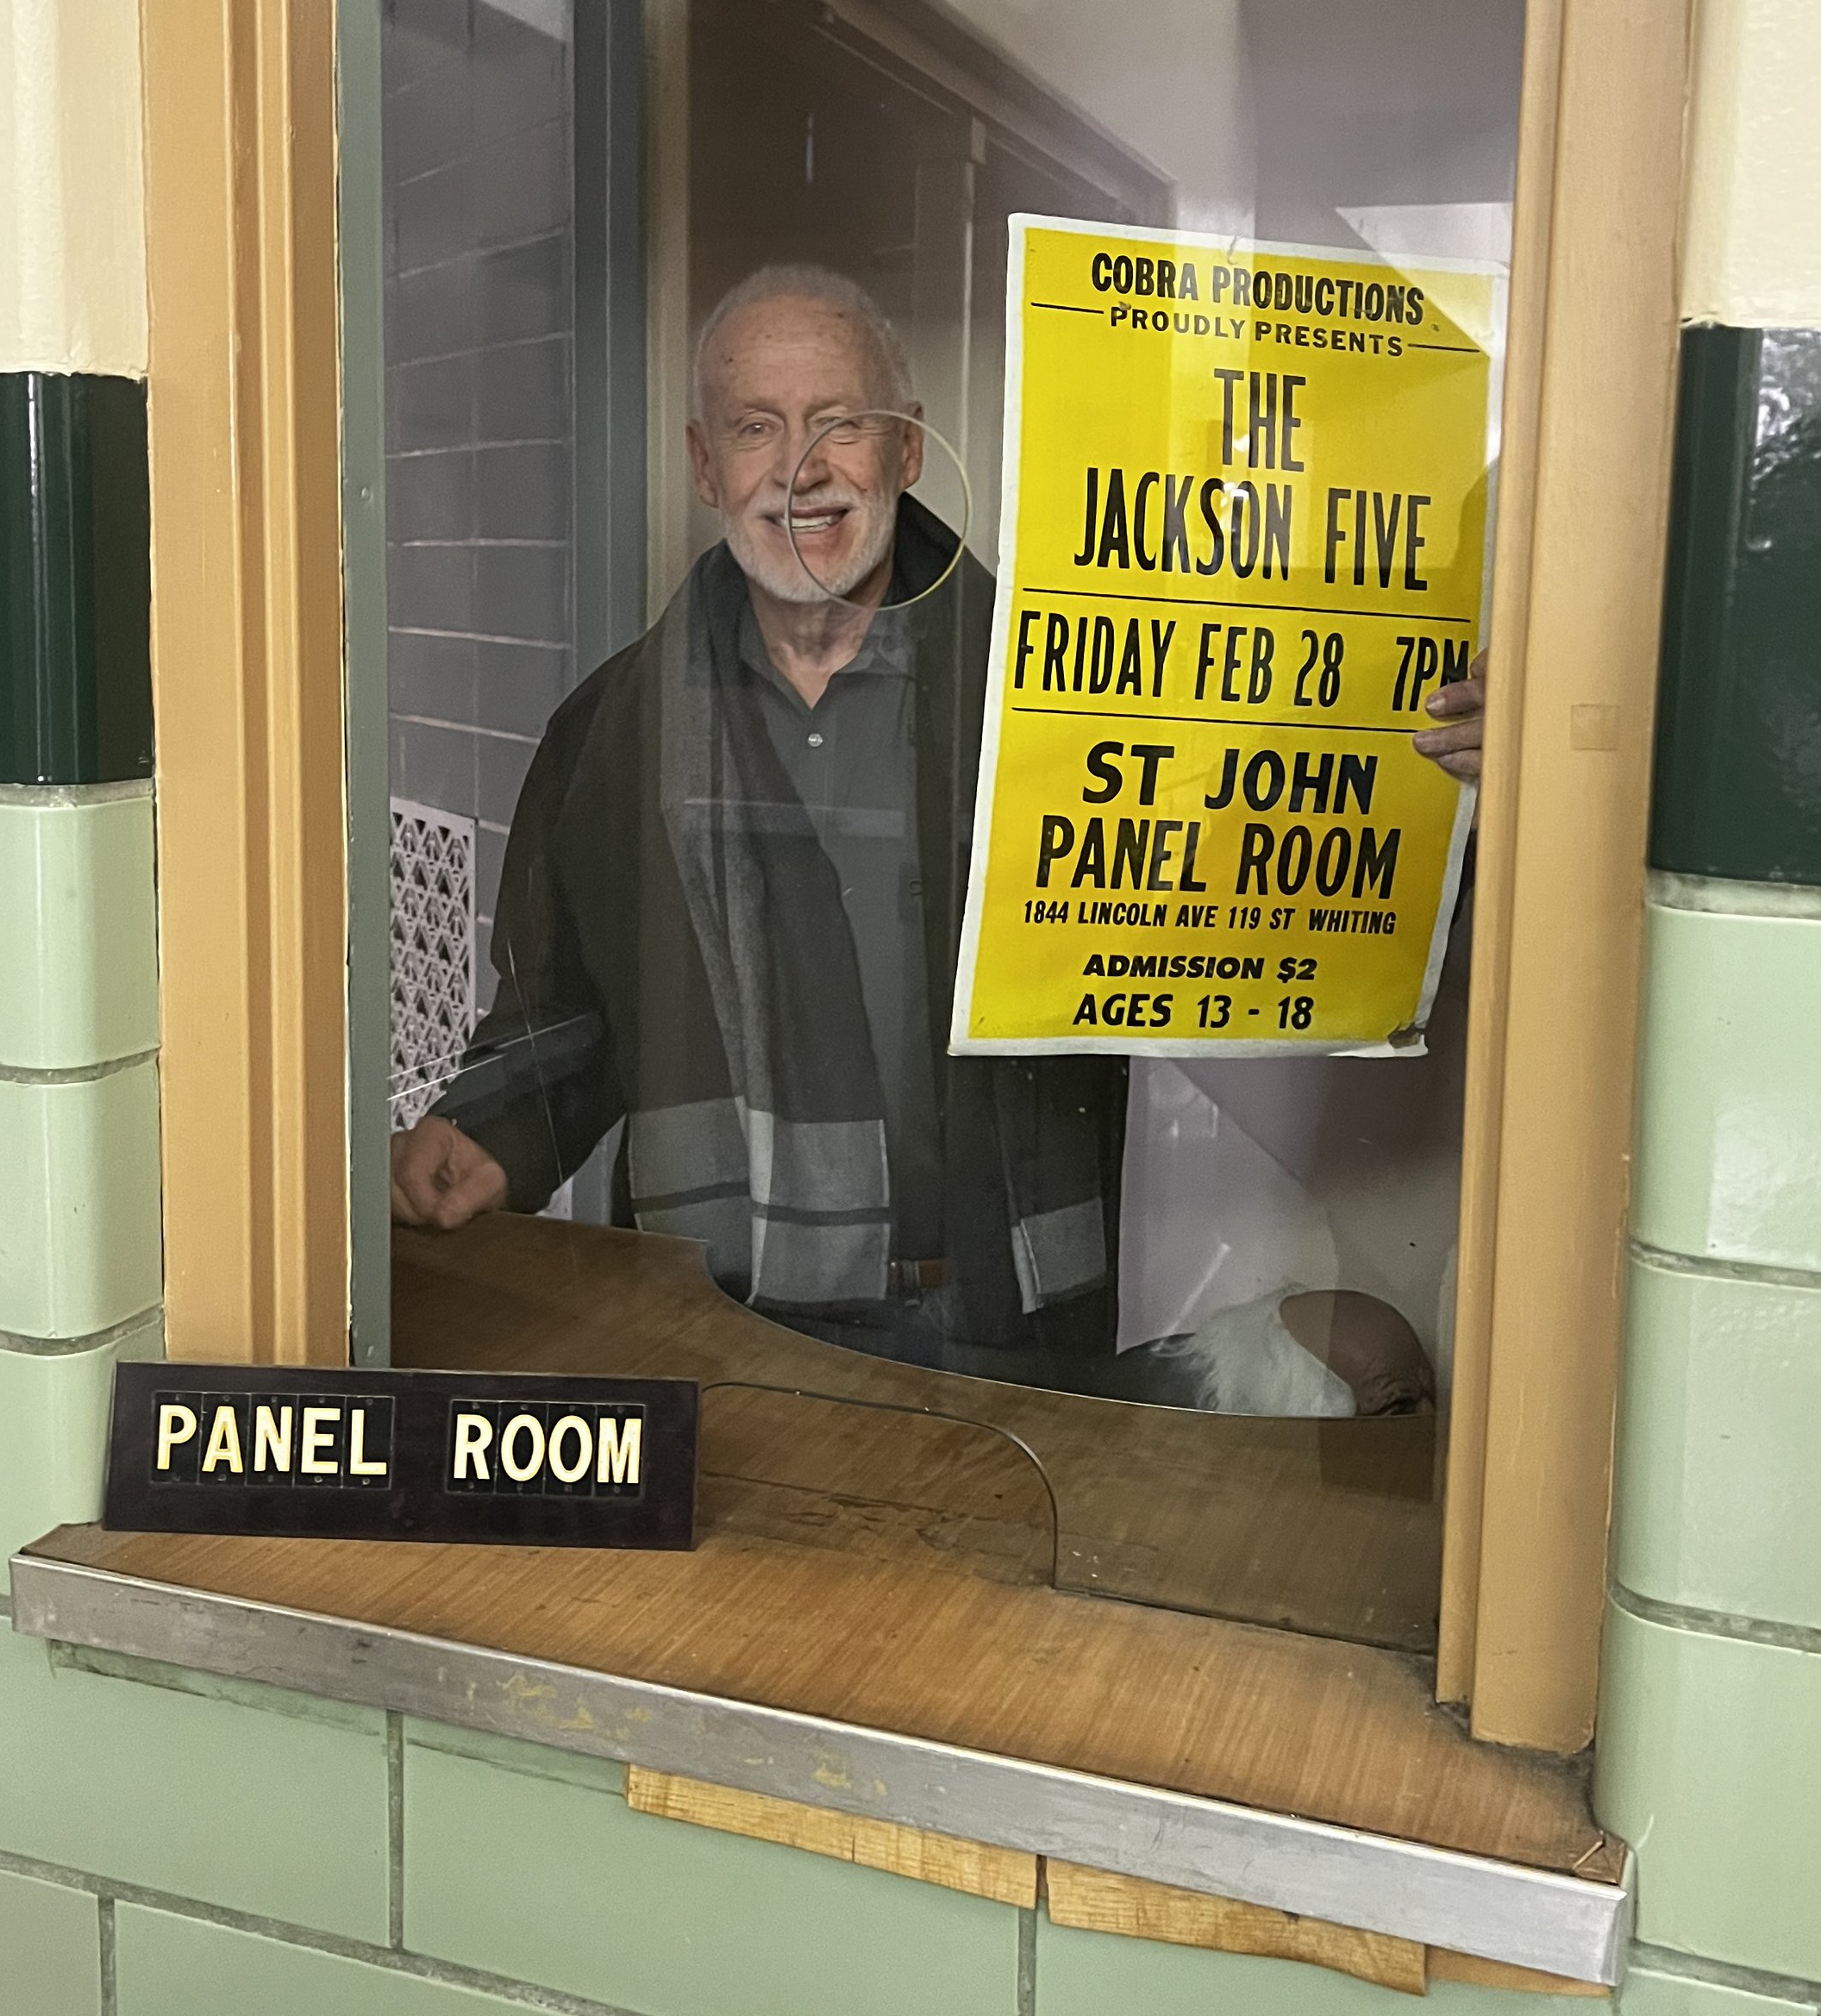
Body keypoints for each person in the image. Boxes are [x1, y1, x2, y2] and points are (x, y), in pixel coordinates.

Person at [391, 263, 1485, 1403]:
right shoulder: (610, 733)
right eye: (757, 428)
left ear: (907, 449)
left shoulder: (1062, 707)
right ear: (706, 465)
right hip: (718, 1322)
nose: (801, 468)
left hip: (1001, 1322)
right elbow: (563, 1018)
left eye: (839, 422)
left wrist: (1466, 775)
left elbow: (1281, 891)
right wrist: (490, 1136)